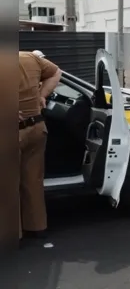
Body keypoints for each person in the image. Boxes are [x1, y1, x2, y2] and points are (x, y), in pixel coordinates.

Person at [18, 51, 61, 241]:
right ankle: (36, 227)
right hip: (36, 128)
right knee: (32, 180)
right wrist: (42, 95)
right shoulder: (31, 58)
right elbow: (56, 72)